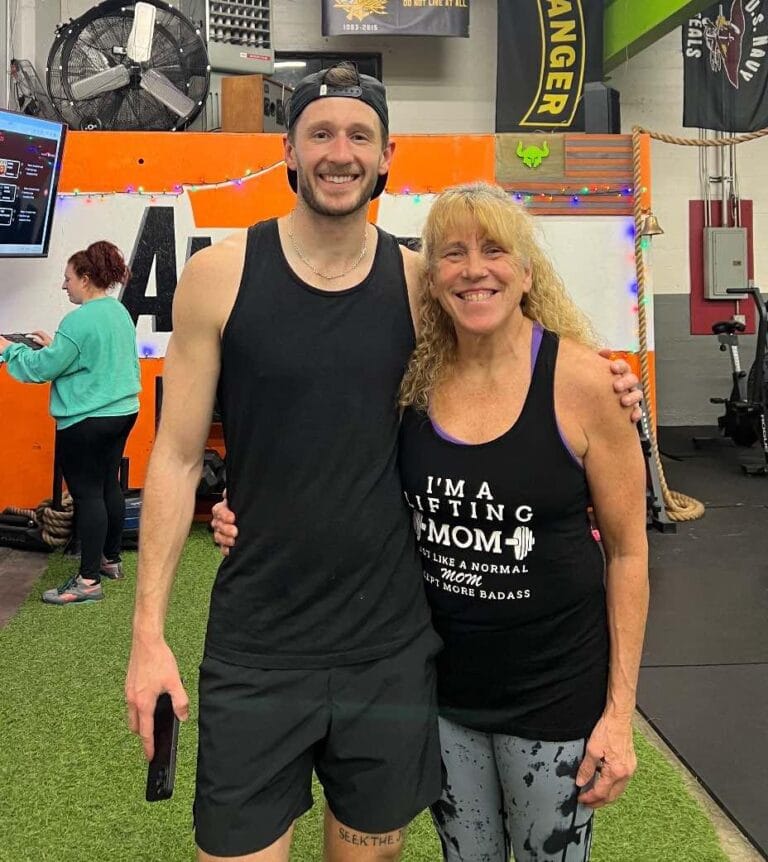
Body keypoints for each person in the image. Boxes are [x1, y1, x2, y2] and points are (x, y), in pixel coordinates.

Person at [126, 63, 642, 862]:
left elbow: (515, 342)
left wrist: (612, 389)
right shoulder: (218, 277)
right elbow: (176, 455)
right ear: (288, 151)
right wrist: (147, 634)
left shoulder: (416, 284)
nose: (341, 152)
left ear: (387, 154)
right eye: (321, 133)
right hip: (258, 644)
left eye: (359, 135)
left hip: (388, 654)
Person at [0, 241, 140, 604]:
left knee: (87, 494)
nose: (64, 286)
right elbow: (86, 357)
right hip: (123, 412)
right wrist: (54, 344)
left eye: (68, 279)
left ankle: (88, 582)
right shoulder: (118, 312)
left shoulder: (78, 321)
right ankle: (110, 560)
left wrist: (8, 348)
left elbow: (41, 368)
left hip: (87, 421)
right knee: (109, 484)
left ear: (86, 278)